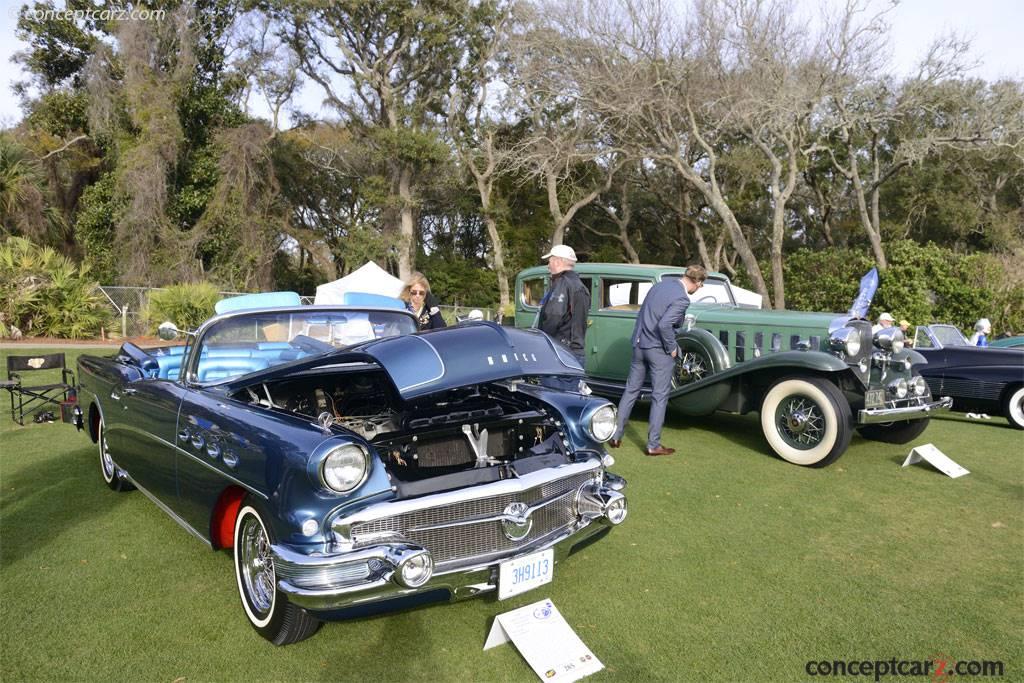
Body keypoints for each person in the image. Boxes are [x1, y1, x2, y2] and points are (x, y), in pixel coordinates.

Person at [610, 265, 707, 456]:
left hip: (639, 344)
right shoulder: (682, 298)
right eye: (701, 285)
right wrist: (671, 348)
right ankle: (653, 445)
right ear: (697, 281)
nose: (699, 289)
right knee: (659, 396)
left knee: (630, 391)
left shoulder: (659, 286)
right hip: (658, 350)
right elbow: (664, 325)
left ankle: (615, 436)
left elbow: (644, 313)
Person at [536, 244, 590, 365]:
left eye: (549, 262)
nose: (548, 266)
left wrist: (540, 340)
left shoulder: (562, 284)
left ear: (557, 262)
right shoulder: (581, 286)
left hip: (560, 352)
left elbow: (553, 317)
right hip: (577, 351)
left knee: (552, 384)